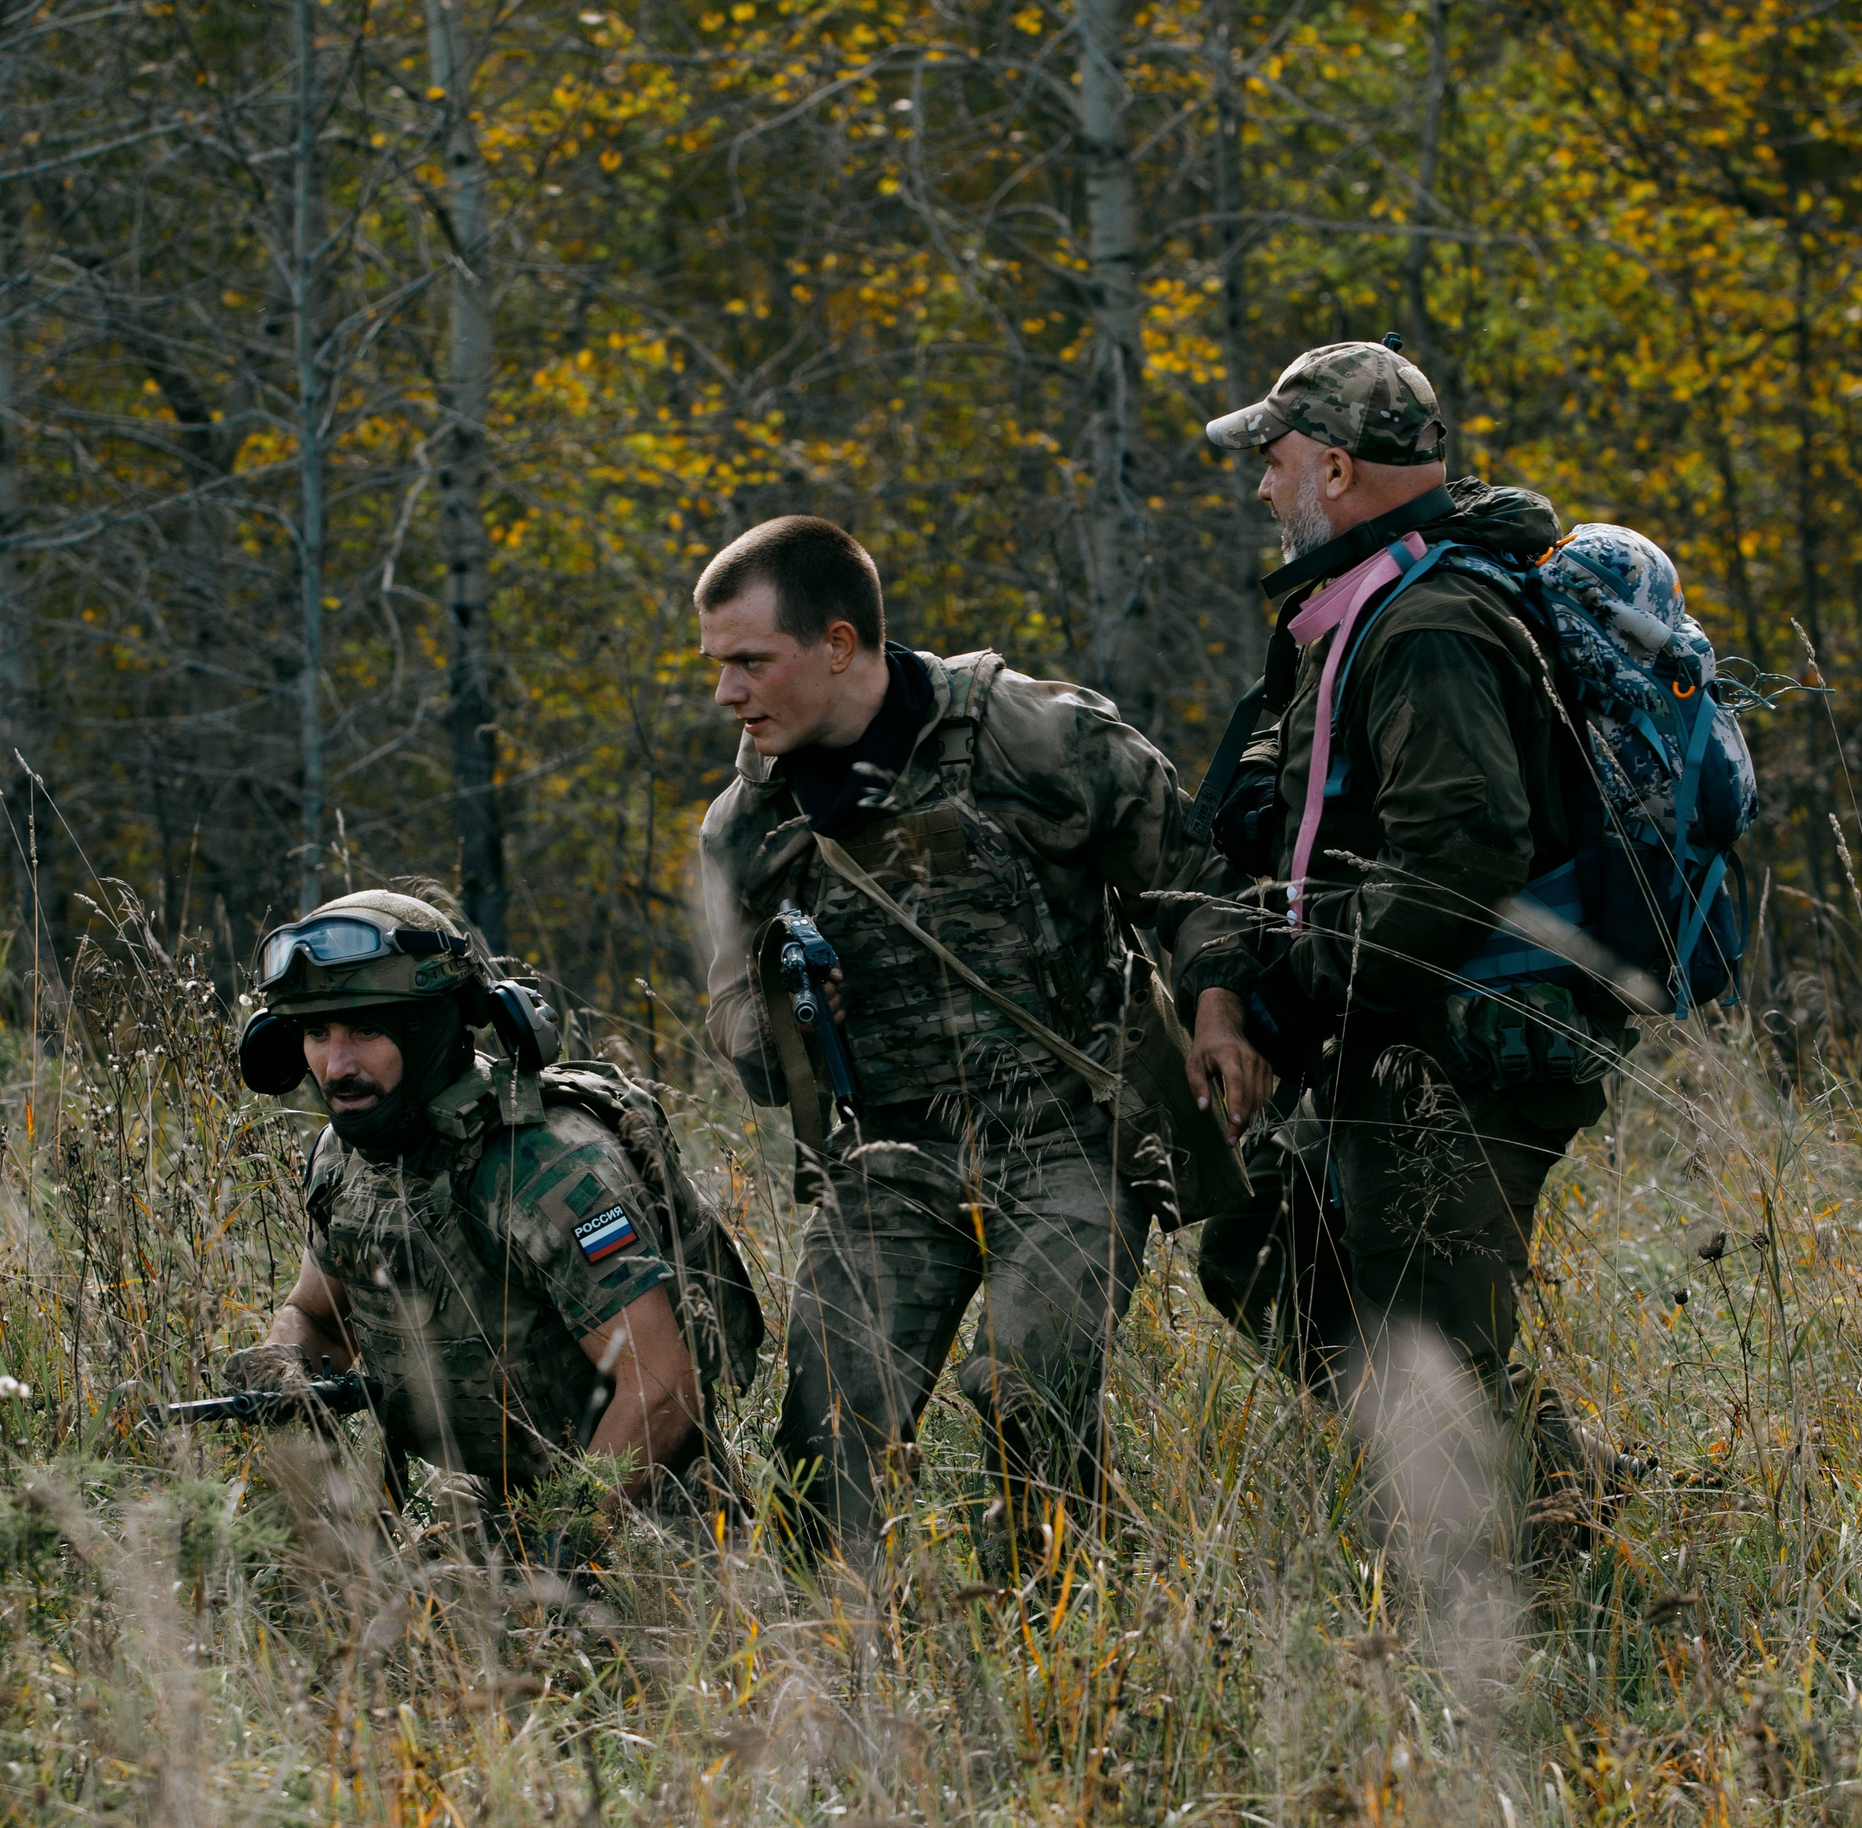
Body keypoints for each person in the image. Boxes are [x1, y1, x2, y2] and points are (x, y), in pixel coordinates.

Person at [694, 515, 1255, 1561]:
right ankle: (839, 1682)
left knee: (1028, 1387)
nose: (726, 693)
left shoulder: (1030, 736)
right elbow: (739, 1034)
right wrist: (785, 1015)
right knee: (825, 1442)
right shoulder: (747, 829)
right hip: (888, 1158)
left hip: (1072, 1134)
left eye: (748, 661)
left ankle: (1065, 1645)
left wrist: (1217, 1008)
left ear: (837, 644)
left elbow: (1191, 878)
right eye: (716, 665)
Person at [1174, 339, 1637, 1539]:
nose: (1262, 489)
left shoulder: (1429, 624)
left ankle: (1564, 1603)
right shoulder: (1356, 608)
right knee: (1256, 1241)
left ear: (1333, 468)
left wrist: (1284, 1003)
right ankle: (1563, 1474)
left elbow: (1457, 864)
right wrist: (1242, 984)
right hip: (1387, 1026)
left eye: (1272, 463)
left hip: (1466, 1043)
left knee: (1433, 1341)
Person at [220, 888, 762, 1528]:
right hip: (493, 1503)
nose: (336, 1065)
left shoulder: (543, 1166)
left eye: (365, 1029)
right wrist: (286, 1362)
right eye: (316, 1033)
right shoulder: (346, 1158)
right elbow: (320, 1320)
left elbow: (664, 1387)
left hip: (649, 1523)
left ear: (425, 1031)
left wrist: (562, 1544)